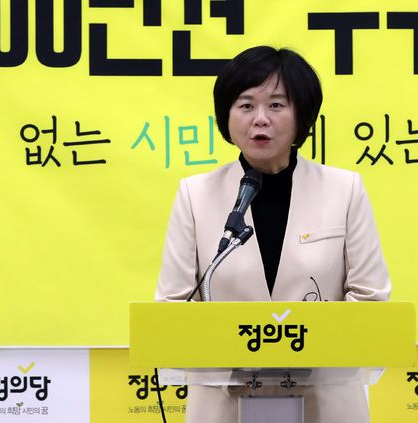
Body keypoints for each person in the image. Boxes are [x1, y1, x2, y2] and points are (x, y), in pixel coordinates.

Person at [156, 46, 391, 423]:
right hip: (224, 403)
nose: (260, 119)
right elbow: (173, 306)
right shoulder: (195, 195)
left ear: (302, 116)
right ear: (227, 116)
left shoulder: (344, 189)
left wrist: (304, 351)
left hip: (324, 401)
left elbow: (370, 297)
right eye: (246, 105)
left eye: (277, 105)